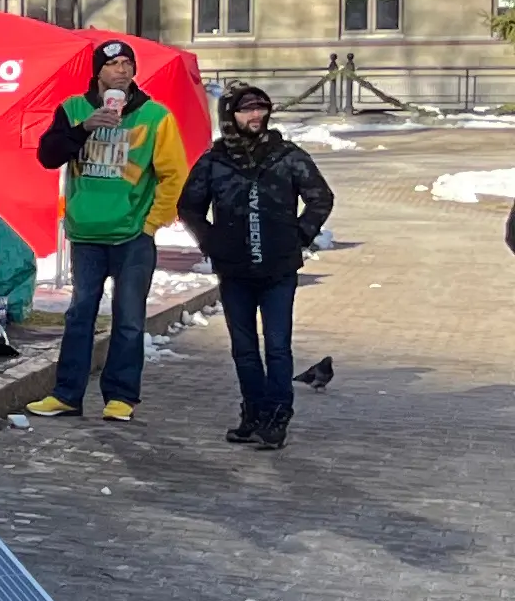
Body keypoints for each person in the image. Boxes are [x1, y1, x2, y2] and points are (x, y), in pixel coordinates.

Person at [26, 39, 188, 423]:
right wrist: (84, 128)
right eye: (113, 63)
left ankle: (121, 397)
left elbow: (174, 175)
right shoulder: (73, 109)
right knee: (80, 315)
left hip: (132, 234)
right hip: (86, 234)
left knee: (129, 318)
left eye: (128, 64)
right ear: (98, 71)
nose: (122, 70)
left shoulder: (154, 116)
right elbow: (48, 156)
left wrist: (151, 223)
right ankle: (67, 394)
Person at [177, 84, 334, 450]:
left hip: (279, 269)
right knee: (244, 348)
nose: (256, 116)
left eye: (261, 109)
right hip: (235, 271)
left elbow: (320, 197)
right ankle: (254, 413)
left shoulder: (287, 156)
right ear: (231, 115)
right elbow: (189, 206)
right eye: (247, 109)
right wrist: (211, 241)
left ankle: (278, 415)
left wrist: (299, 235)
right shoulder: (215, 161)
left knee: (278, 347)